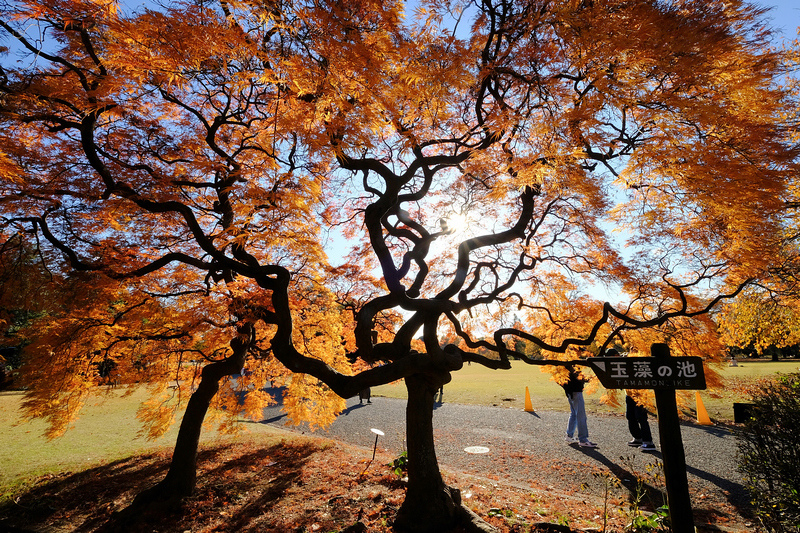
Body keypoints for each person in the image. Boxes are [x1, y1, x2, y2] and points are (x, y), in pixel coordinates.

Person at [606, 348, 656, 451]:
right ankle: (638, 438)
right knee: (630, 416)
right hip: (628, 394)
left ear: (616, 356)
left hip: (639, 393)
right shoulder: (619, 364)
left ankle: (648, 441)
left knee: (641, 417)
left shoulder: (631, 361)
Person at [560, 363, 597, 448]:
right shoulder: (571, 365)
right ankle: (583, 440)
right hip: (575, 391)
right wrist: (592, 379)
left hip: (571, 392)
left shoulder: (565, 363)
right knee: (581, 416)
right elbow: (579, 377)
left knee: (574, 414)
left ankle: (569, 435)